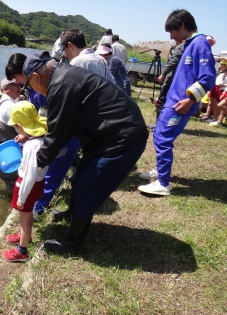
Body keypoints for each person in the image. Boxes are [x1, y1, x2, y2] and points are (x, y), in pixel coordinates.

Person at [22, 50, 148, 253]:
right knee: (78, 177)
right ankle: (73, 214)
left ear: (35, 77)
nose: (33, 90)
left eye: (30, 85)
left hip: (121, 138)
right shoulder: (63, 75)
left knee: (88, 187)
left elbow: (58, 133)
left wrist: (35, 164)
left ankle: (73, 243)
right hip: (105, 136)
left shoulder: (60, 85)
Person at [138, 9, 216, 196]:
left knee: (163, 137)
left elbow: (208, 78)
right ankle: (160, 170)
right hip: (172, 101)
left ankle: (163, 183)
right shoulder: (190, 44)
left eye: (172, 31)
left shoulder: (199, 44)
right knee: (160, 134)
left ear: (181, 26)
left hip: (181, 103)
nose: (171, 36)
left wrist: (189, 101)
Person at [5, 53, 80, 220]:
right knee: (45, 173)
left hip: (63, 139)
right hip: (50, 136)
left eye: (17, 79)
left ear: (25, 72)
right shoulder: (35, 87)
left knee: (50, 175)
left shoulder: (44, 89)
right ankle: (36, 208)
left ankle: (37, 211)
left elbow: (51, 121)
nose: (18, 83)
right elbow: (38, 119)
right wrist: (28, 135)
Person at [2, 101, 49, 262]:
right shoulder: (43, 137)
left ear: (20, 125)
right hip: (39, 183)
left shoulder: (31, 147)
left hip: (27, 185)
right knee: (27, 212)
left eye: (16, 126)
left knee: (24, 215)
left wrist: (21, 198)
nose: (15, 129)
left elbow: (29, 176)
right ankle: (25, 236)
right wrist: (26, 135)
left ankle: (22, 250)